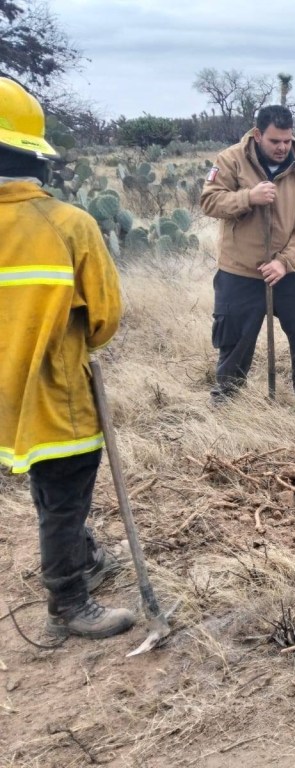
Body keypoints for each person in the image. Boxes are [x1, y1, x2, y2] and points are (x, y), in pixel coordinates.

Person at [0, 78, 134, 639]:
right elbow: (104, 316)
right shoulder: (69, 225)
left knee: (45, 483)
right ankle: (69, 600)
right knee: (63, 494)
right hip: (55, 391)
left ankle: (85, 555)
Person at [200, 105, 295, 405]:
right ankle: (226, 399)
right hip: (240, 269)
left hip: (290, 269)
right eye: (275, 141)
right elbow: (209, 201)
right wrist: (248, 197)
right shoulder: (230, 160)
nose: (282, 147)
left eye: (287, 140)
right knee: (234, 338)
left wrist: (284, 262)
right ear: (258, 134)